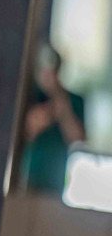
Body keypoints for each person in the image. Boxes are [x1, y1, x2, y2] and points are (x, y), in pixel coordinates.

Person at [21, 44, 86, 192]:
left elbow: (77, 139)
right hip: (27, 176)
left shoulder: (75, 101)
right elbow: (27, 131)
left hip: (55, 180)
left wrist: (62, 105)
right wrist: (48, 112)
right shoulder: (31, 95)